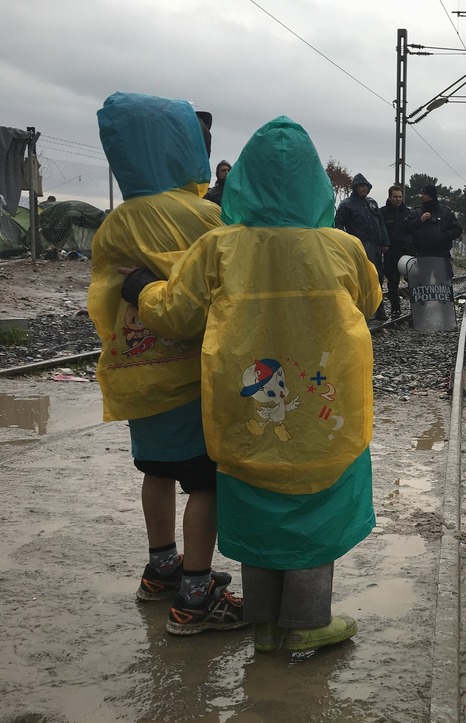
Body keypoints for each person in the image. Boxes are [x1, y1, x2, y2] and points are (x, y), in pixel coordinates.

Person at [122, 116, 382, 653]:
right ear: (316, 182)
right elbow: (371, 302)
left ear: (242, 178)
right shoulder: (342, 247)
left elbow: (174, 314)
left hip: (247, 411)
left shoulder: (219, 247)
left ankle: (263, 624)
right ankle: (307, 623)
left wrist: (141, 288)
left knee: (257, 507)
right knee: (317, 511)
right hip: (321, 414)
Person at [88, 92, 242, 635]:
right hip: (191, 377)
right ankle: (197, 595)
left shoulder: (116, 222)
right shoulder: (208, 217)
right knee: (206, 483)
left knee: (155, 469)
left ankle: (161, 567)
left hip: (136, 373)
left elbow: (104, 296)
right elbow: (218, 289)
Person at [335, 173, 390, 319]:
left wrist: (385, 241)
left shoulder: (372, 202)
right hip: (359, 245)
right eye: (361, 186)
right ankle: (364, 310)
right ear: (355, 187)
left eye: (365, 186)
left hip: (376, 245)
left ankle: (380, 310)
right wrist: (346, 241)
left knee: (378, 275)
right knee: (364, 277)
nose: (364, 189)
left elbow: (381, 222)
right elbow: (338, 223)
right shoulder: (346, 205)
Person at [404, 183, 462, 279]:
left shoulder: (445, 212)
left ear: (431, 195)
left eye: (424, 194)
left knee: (443, 281)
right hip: (422, 254)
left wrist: (445, 236)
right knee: (422, 282)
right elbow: (406, 227)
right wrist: (420, 220)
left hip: (441, 254)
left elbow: (457, 229)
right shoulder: (416, 212)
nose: (421, 196)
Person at [381, 184, 412, 317]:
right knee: (393, 282)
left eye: (400, 197)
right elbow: (380, 230)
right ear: (390, 197)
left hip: (406, 250)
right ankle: (395, 309)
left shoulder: (408, 213)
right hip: (390, 251)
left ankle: (415, 309)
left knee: (412, 280)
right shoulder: (382, 212)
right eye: (395, 197)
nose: (398, 199)